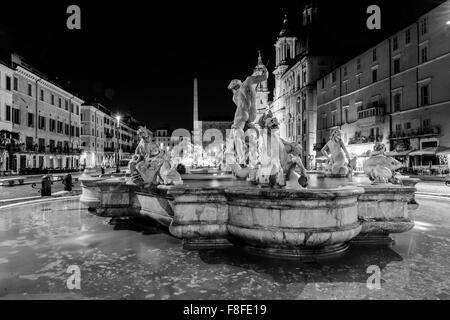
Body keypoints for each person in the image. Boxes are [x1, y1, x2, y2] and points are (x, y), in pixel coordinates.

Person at [227, 65, 268, 166]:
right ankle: (254, 158)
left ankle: (241, 160)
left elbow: (240, 106)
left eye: (233, 88)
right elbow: (265, 76)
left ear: (234, 86)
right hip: (252, 114)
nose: (233, 90)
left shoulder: (236, 95)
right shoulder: (248, 82)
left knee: (236, 133)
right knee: (252, 138)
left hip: (242, 113)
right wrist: (265, 71)